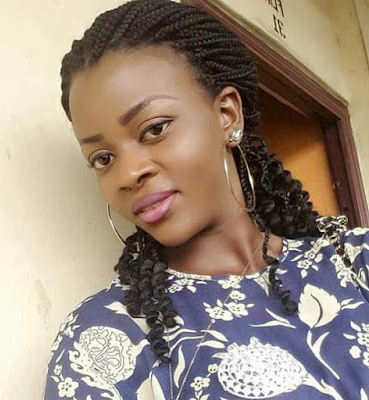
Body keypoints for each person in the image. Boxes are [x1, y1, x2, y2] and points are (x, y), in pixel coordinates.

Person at [43, 0, 369, 398]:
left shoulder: (355, 262)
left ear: (227, 115)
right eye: (103, 158)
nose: (127, 175)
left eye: (154, 129)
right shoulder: (101, 341)